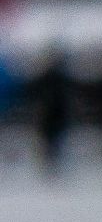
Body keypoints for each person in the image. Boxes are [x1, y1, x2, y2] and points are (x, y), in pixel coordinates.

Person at [28, 48, 75, 176]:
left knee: (52, 139)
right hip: (54, 114)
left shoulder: (46, 77)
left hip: (52, 114)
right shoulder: (61, 78)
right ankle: (52, 163)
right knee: (53, 139)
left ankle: (51, 163)